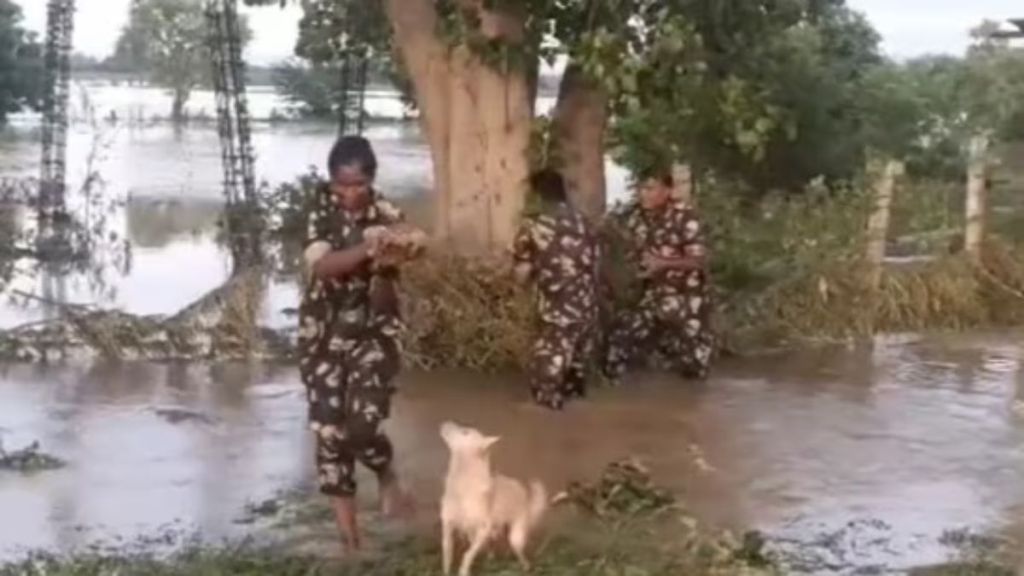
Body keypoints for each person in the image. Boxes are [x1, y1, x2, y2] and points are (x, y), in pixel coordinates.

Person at [297, 135, 423, 551]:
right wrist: (369, 249)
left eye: (358, 185)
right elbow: (323, 267)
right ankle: (350, 543)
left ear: (371, 180)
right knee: (330, 434)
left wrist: (400, 248)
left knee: (362, 426)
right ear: (331, 180)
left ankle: (386, 473)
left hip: (374, 333)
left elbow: (414, 241)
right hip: (322, 337)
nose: (349, 194)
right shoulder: (317, 210)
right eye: (342, 185)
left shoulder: (384, 211)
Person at [602, 166, 714, 381]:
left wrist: (663, 264)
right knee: (619, 337)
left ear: (667, 191)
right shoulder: (636, 218)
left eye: (650, 188)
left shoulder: (685, 217)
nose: (643, 194)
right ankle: (614, 391)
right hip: (653, 298)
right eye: (641, 188)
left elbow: (699, 261)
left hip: (686, 301)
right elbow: (631, 251)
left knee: (695, 368)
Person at [512, 169, 600, 410]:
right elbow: (595, 262)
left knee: (548, 371)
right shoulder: (584, 222)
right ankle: (576, 418)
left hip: (557, 306)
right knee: (575, 370)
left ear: (537, 195)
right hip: (587, 304)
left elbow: (522, 271)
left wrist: (517, 289)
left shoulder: (533, 225)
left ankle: (547, 414)